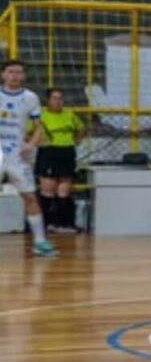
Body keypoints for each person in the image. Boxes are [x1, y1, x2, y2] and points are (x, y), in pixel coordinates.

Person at [0, 60, 57, 256]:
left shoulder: (30, 98)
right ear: (3, 75)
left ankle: (40, 242)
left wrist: (31, 144)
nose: (14, 75)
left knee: (30, 196)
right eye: (10, 72)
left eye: (18, 72)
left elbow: (38, 125)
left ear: (23, 76)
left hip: (17, 155)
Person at [33, 88, 85, 233]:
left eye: (60, 98)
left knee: (64, 190)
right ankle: (46, 224)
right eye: (55, 98)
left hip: (67, 152)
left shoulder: (69, 114)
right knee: (48, 190)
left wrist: (77, 140)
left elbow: (81, 128)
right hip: (49, 153)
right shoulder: (40, 115)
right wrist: (36, 142)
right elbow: (27, 132)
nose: (58, 101)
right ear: (48, 100)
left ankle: (65, 223)